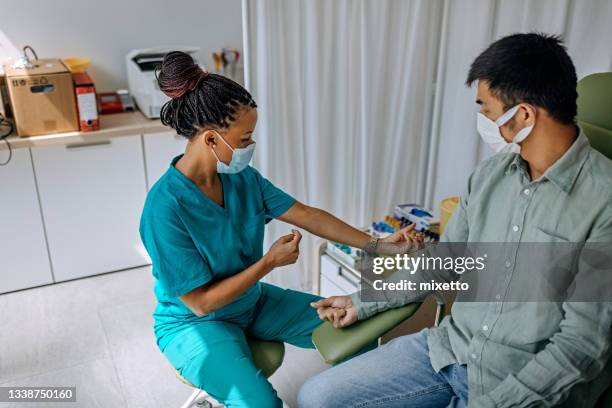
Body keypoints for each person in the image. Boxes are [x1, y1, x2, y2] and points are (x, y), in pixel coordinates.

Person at [302, 33, 612, 408]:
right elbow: (444, 261)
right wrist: (363, 301)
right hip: (450, 350)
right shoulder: (489, 178)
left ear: (525, 115)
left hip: (518, 383)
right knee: (316, 396)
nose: (483, 120)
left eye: (487, 110)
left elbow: (582, 344)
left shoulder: (603, 201)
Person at [139, 51, 419, 408]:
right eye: (243, 140)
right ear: (211, 140)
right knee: (262, 403)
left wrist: (377, 245)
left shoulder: (243, 180)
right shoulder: (164, 209)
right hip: (193, 325)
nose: (249, 148)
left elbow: (308, 215)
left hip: (250, 303)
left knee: (358, 338)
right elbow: (201, 302)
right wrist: (268, 263)